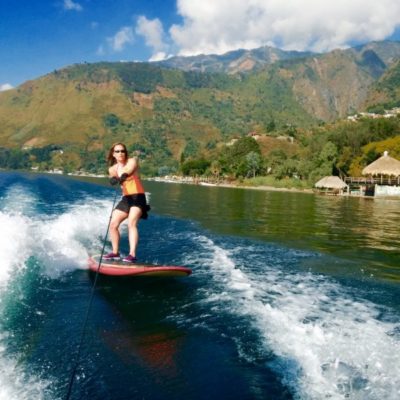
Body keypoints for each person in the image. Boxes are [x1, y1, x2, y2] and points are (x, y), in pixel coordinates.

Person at [104, 142, 150, 263]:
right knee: (113, 224)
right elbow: (113, 179)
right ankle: (115, 253)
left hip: (138, 196)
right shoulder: (112, 169)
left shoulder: (132, 161)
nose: (120, 153)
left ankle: (132, 254)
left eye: (122, 151)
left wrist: (124, 174)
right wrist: (113, 180)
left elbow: (129, 170)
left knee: (131, 223)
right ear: (113, 154)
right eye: (117, 151)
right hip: (126, 199)